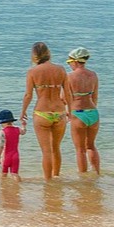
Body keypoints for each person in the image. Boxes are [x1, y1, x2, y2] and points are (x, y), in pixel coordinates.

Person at [20, 41, 68, 180]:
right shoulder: (61, 69)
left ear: (34, 55)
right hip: (59, 112)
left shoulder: (32, 72)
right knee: (56, 148)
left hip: (42, 113)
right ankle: (57, 177)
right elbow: (68, 93)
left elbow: (28, 95)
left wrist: (23, 112)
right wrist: (69, 110)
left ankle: (49, 182)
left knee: (46, 151)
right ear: (48, 53)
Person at [65, 46, 101, 175]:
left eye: (70, 63)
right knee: (91, 146)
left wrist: (67, 113)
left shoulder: (69, 76)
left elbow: (65, 98)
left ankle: (83, 177)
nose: (70, 65)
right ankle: (96, 173)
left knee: (80, 150)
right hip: (93, 112)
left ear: (75, 61)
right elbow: (95, 96)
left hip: (78, 113)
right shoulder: (93, 75)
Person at [0, 109, 22, 176]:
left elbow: (0, 146)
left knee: (3, 174)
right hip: (16, 156)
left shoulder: (2, 132)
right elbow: (24, 132)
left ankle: (3, 186)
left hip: (6, 156)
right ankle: (18, 185)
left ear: (3, 122)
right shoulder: (18, 129)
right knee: (15, 174)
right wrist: (24, 125)